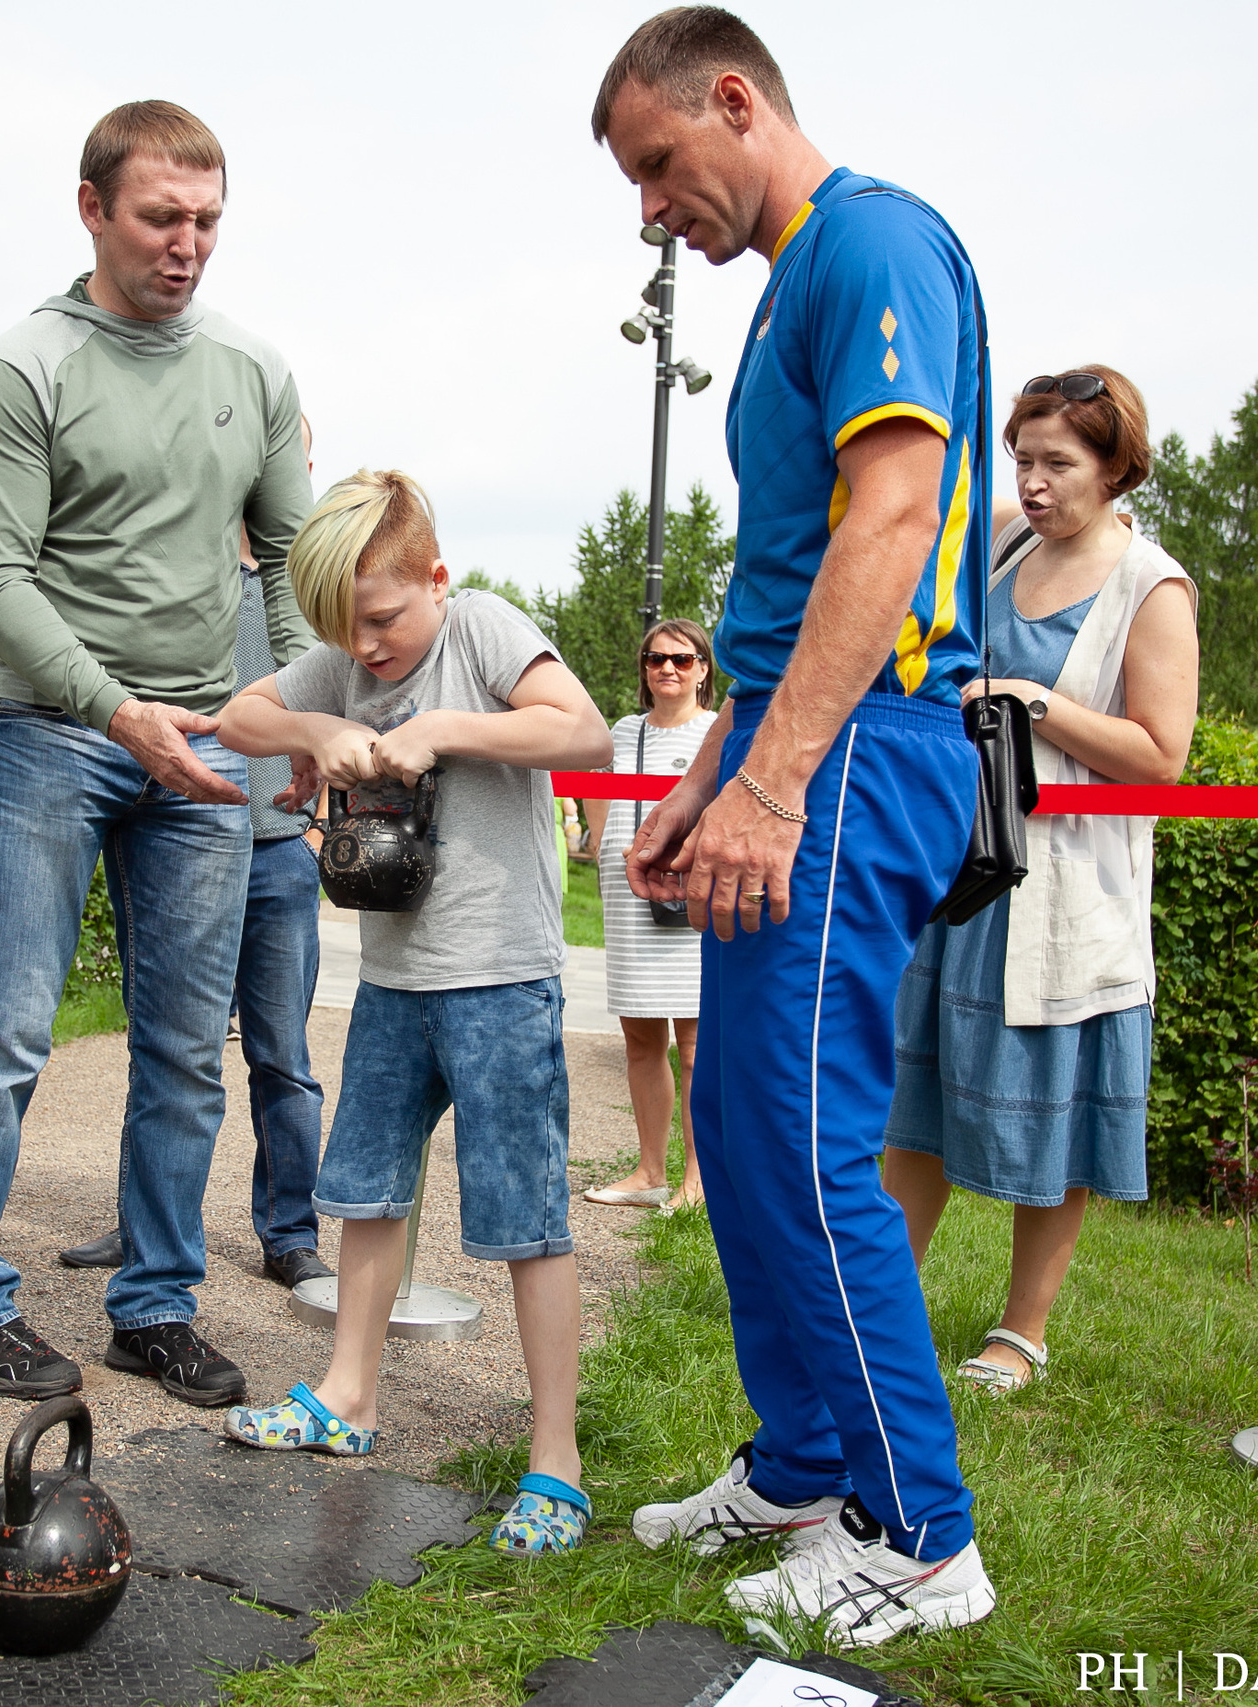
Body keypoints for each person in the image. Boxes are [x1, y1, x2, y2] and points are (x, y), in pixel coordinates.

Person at [595, 8, 999, 1647]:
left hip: (868, 744)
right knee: (751, 1136)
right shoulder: (781, 305)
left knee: (814, 1145)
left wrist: (772, 780)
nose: (648, 211)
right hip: (789, 742)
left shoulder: (877, 244)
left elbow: (896, 520)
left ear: (736, 102)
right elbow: (774, 592)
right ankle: (806, 1463)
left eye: (657, 165)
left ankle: (922, 1539)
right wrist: (706, 783)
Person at [0, 100, 312, 1408]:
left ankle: (154, 1303)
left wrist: (301, 711)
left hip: (203, 750)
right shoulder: (23, 367)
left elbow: (296, 575)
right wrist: (112, 704)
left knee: (189, 1048)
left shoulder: (253, 373)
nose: (187, 244)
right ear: (92, 208)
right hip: (51, 737)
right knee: (8, 1030)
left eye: (207, 220)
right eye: (160, 217)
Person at [216, 470, 612, 1556]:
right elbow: (240, 714)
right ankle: (348, 1397)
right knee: (367, 1194)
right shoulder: (342, 662)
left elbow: (579, 733)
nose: (369, 646)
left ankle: (555, 1461)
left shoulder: (480, 629)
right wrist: (311, 726)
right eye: (346, 629)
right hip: (394, 981)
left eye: (385, 618)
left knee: (527, 1219)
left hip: (497, 977)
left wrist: (443, 730)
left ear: (436, 579)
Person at [881, 366, 1198, 1392]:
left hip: (1062, 899)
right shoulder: (999, 551)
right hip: (956, 876)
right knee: (911, 1095)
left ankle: (1021, 1332)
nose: (1033, 481)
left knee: (1054, 1112)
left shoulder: (1152, 585)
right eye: (1022, 459)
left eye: (1058, 462)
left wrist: (1034, 702)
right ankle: (884, 1298)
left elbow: (1161, 755)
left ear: (1117, 470)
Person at [60, 503, 337, 1288]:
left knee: (281, 1053)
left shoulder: (299, 591)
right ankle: (144, 1226)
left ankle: (289, 1232)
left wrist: (316, 830)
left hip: (279, 852)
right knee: (166, 1046)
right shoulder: (172, 576)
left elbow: (341, 709)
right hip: (173, 850)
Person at [578, 618, 716, 1213]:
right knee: (640, 1038)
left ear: (703, 669)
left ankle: (697, 1178)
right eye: (656, 659)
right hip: (630, 900)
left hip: (689, 900)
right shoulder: (624, 732)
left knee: (694, 1043)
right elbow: (599, 801)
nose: (667, 669)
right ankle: (649, 1169)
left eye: (682, 660)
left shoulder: (717, 733)